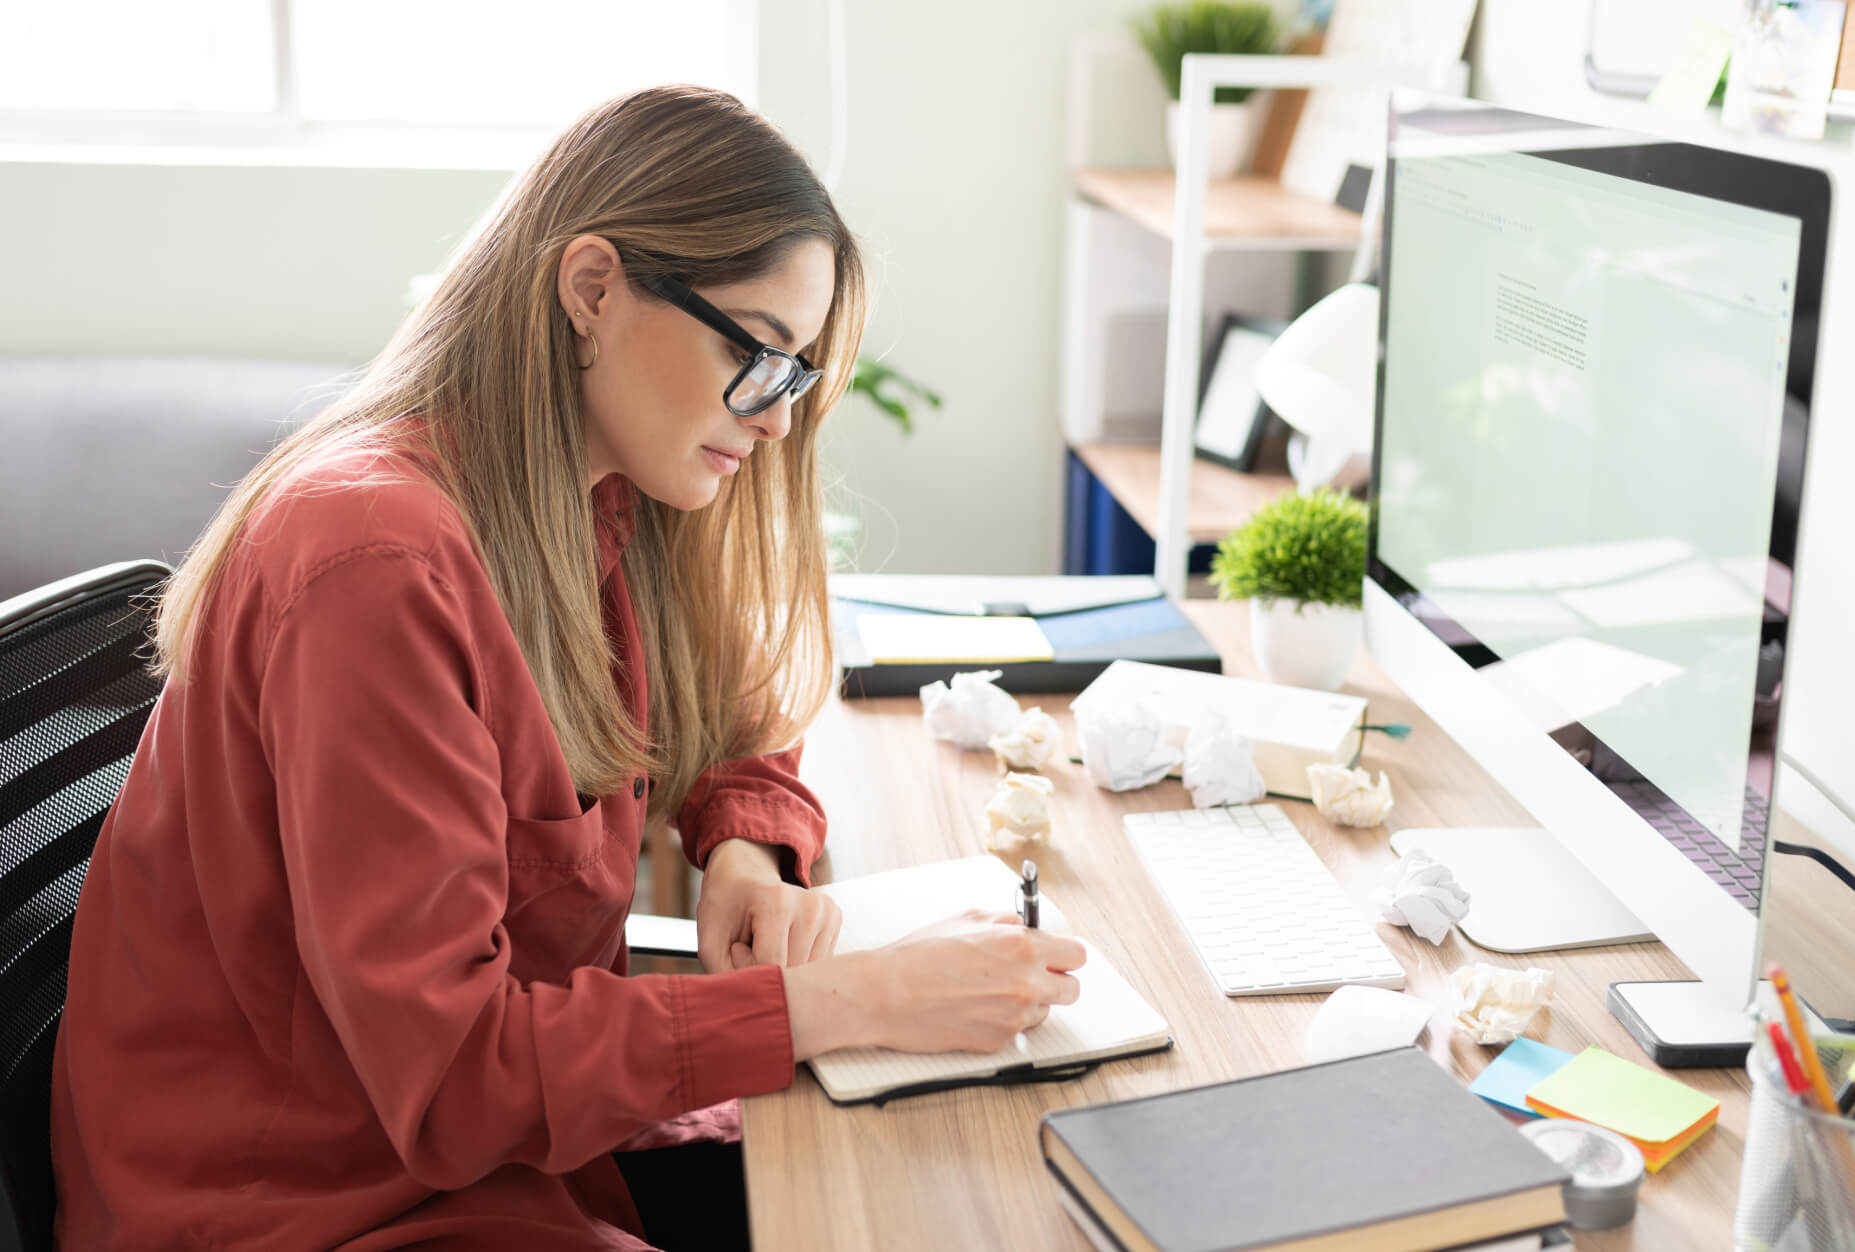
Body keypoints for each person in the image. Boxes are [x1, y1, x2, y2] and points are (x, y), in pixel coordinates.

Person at [50, 85, 1086, 1252]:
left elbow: (731, 701)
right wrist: (846, 1000)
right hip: (302, 1202)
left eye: (794, 374)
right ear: (591, 289)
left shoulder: (598, 488)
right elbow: (449, 1080)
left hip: (481, 1159)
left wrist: (742, 849)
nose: (777, 419)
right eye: (757, 352)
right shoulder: (373, 561)